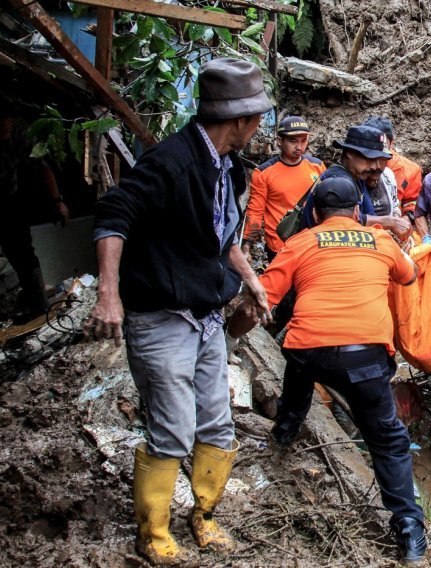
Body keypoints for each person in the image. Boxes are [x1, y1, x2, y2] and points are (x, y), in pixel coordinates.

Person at [85, 58, 272, 565]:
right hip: (162, 314)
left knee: (216, 422)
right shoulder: (172, 162)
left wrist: (252, 282)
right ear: (240, 120)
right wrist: (108, 292)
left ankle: (205, 518)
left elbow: (223, 238)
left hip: (207, 316)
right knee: (171, 425)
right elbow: (113, 214)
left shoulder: (228, 167)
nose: (258, 126)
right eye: (257, 117)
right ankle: (155, 533)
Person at [233, 176, 427, 563]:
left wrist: (228, 337)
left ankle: (285, 432)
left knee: (297, 368)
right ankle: (409, 528)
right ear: (358, 212)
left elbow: (260, 300)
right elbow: (409, 275)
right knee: (388, 440)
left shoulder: (300, 242)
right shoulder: (381, 241)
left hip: (310, 350)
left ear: (317, 213)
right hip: (365, 356)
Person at [0, 111, 68, 323]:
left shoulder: (21, 130)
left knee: (23, 255)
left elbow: (42, 166)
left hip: (8, 198)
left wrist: (57, 201)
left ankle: (38, 309)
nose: (4, 130)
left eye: (5, 126)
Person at [302, 125, 412, 239]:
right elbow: (341, 221)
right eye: (370, 159)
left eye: (378, 160)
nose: (375, 166)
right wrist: (390, 222)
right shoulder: (337, 181)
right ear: (350, 153)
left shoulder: (357, 177)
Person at [241, 115, 325, 260]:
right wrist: (246, 246)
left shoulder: (317, 166)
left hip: (312, 243)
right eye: (293, 141)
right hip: (280, 247)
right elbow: (255, 210)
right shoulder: (264, 173)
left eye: (303, 141)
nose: (299, 147)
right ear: (279, 141)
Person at [362, 115, 423, 217]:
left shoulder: (410, 170)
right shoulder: (355, 166)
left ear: (391, 143)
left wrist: (407, 218)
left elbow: (413, 201)